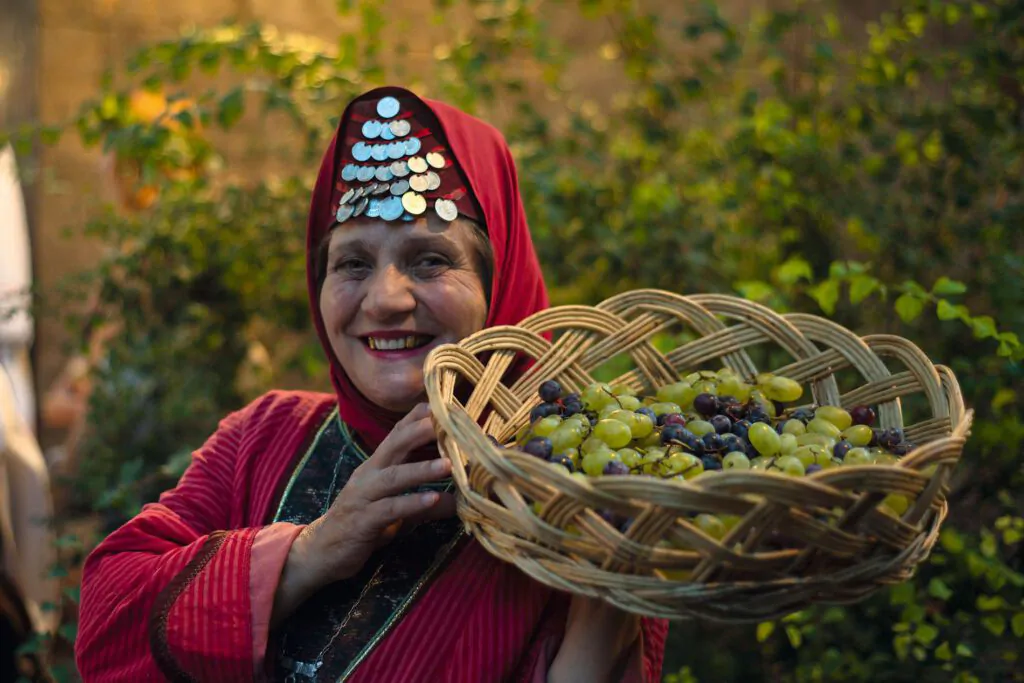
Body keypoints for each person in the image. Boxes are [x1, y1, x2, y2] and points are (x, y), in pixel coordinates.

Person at [75, 86, 668, 682]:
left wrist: (608, 572)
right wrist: (311, 551)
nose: (384, 299)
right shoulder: (264, 438)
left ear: (500, 280)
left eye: (430, 260)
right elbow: (106, 624)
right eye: (353, 263)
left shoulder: (572, 488)